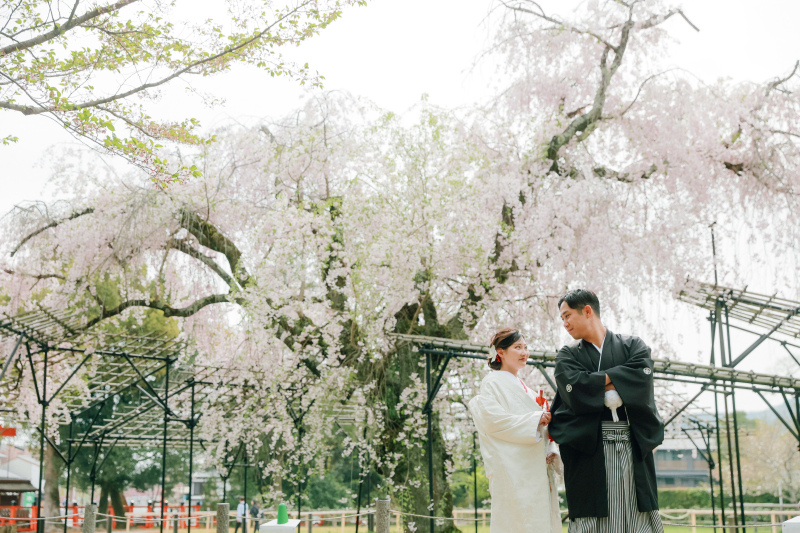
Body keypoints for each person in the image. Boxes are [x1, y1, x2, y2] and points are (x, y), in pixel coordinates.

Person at [549, 289, 665, 533]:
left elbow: (641, 379)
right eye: (562, 319)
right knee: (594, 515)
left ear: (588, 311)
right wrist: (620, 378)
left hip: (631, 441)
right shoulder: (568, 355)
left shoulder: (633, 345)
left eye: (567, 315)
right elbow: (574, 390)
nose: (565, 323)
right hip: (591, 447)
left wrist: (591, 381)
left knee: (635, 513)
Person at [468, 327, 562, 533]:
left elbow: (539, 425)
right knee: (517, 521)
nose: (524, 353)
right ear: (500, 352)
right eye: (517, 347)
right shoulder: (492, 382)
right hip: (513, 469)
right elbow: (492, 421)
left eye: (526, 347)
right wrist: (536, 419)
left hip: (534, 466)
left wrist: (550, 447)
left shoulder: (524, 387)